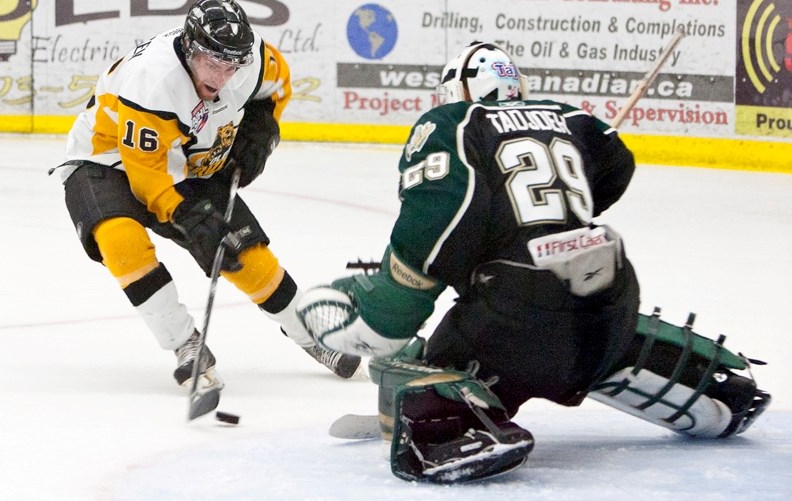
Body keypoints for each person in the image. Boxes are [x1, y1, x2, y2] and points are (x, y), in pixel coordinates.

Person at [296, 41, 771, 483]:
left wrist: (391, 311)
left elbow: (440, 216)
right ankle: (708, 382)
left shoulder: (455, 123)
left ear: (459, 91)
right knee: (593, 332)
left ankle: (453, 424)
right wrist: (545, 223)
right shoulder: (569, 117)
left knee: (435, 361)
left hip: (516, 320)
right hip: (612, 299)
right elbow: (616, 162)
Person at [50, 0, 361, 390]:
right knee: (120, 240)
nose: (223, 75)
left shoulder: (251, 59)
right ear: (189, 46)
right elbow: (147, 176)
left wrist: (264, 126)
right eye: (213, 63)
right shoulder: (154, 80)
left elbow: (278, 84)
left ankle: (306, 331)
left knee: (244, 254)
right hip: (107, 161)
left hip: (188, 160)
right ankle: (185, 343)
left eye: (231, 64)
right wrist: (186, 216)